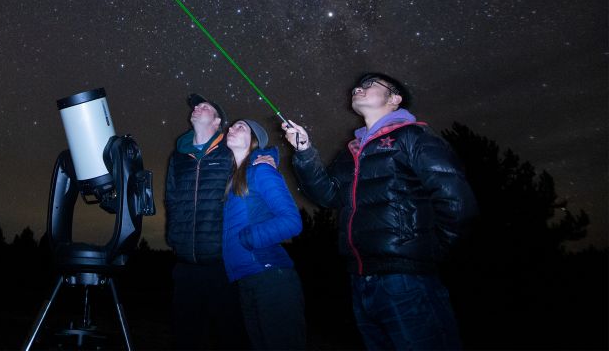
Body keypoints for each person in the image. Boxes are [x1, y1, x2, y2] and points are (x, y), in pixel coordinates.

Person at [283, 72, 478, 350]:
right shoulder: (351, 152)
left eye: (369, 85)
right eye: (356, 86)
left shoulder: (413, 136)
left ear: (394, 99)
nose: (357, 89)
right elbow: (327, 196)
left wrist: (427, 253)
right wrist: (304, 152)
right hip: (361, 280)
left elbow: (457, 201)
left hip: (407, 279)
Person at [164, 93, 247, 349]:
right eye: (196, 106)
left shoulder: (229, 152)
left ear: (218, 120)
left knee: (230, 335)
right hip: (185, 264)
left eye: (205, 106)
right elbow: (171, 198)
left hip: (222, 264)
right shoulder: (178, 157)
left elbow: (254, 166)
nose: (197, 107)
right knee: (186, 337)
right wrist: (174, 238)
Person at [223, 118, 305, 350]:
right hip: (246, 279)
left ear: (253, 141)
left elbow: (291, 222)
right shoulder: (233, 181)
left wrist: (249, 238)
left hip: (271, 278)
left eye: (241, 127)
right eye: (232, 126)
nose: (231, 128)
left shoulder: (262, 170)